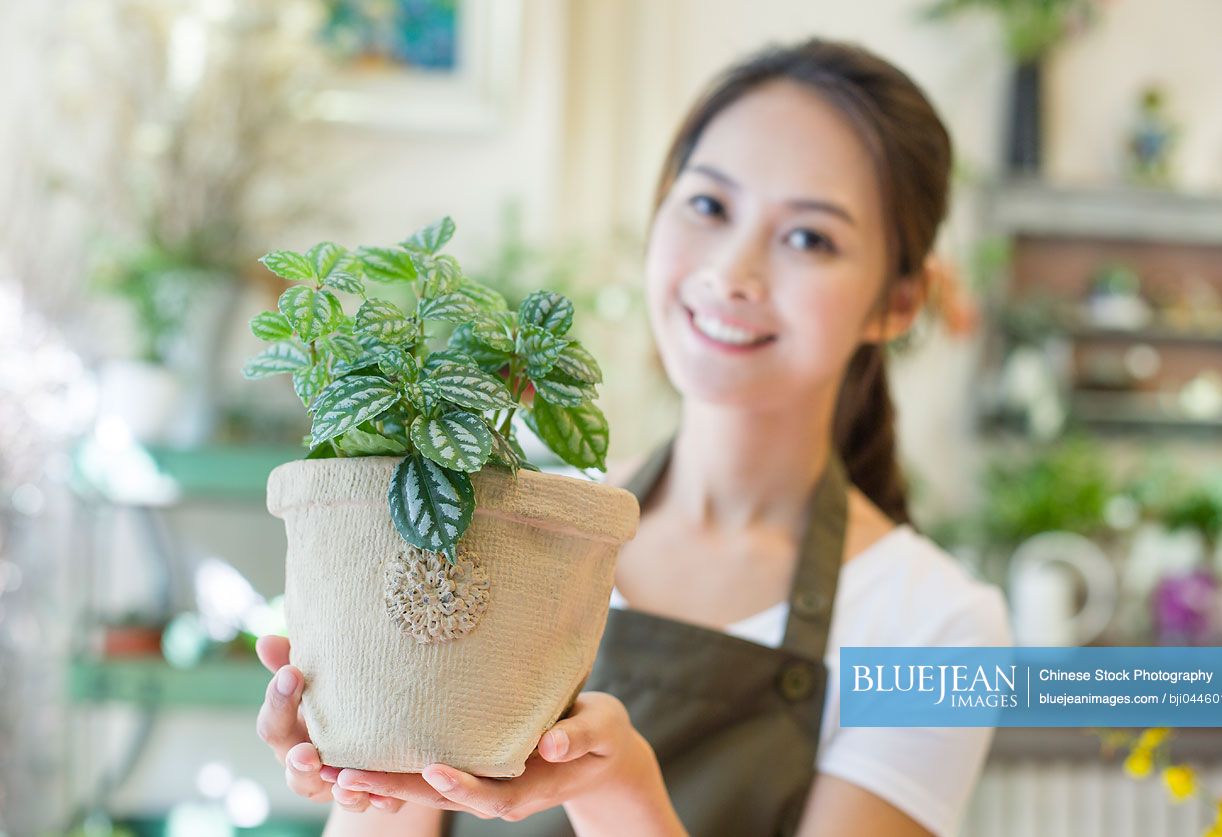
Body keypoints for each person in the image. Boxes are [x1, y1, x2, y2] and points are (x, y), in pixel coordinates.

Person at [255, 37, 1012, 837]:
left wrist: (619, 791)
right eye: (709, 206)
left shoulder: (935, 629)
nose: (732, 271)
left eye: (808, 238)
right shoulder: (505, 515)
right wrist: (366, 743)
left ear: (899, 301)